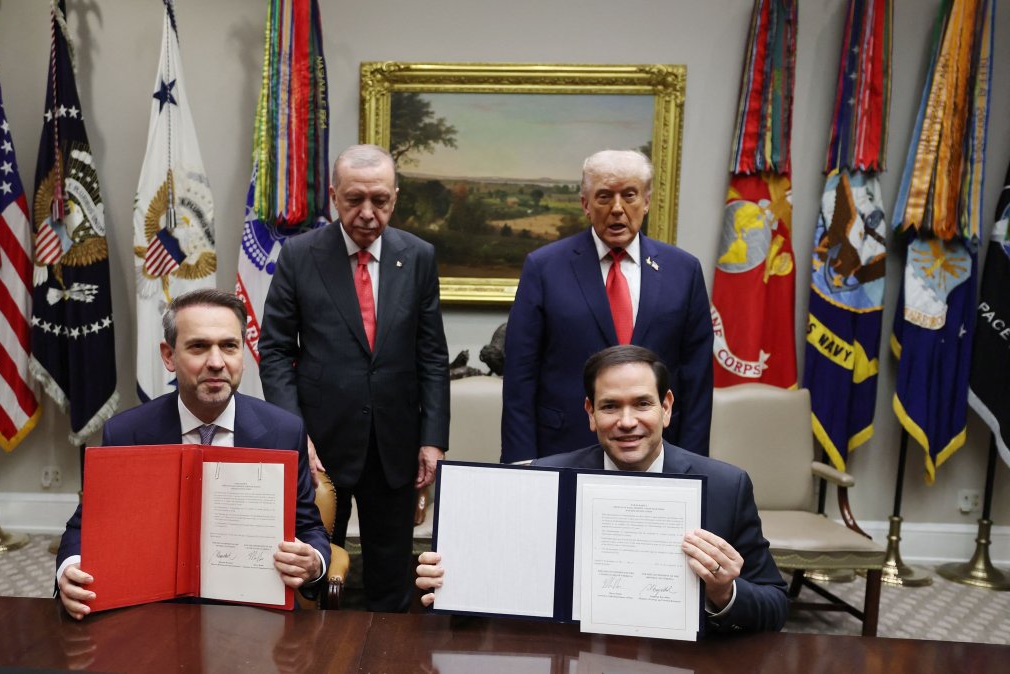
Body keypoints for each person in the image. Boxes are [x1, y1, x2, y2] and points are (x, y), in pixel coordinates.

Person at [418, 345, 787, 633]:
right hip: (569, 654)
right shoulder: (541, 481)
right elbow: (494, 592)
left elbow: (775, 605)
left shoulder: (727, 486)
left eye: (642, 403)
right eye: (610, 406)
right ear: (591, 413)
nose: (627, 422)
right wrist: (453, 582)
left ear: (667, 407)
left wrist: (724, 593)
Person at [55, 289, 329, 620]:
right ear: (169, 356)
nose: (216, 362)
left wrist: (313, 561)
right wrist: (69, 570)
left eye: (229, 346)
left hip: (256, 613)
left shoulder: (283, 431)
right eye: (199, 347)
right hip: (154, 613)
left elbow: (309, 526)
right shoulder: (128, 433)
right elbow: (84, 527)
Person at [259, 144, 450, 613]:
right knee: (314, 573)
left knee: (391, 576)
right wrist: (294, 433)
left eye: (380, 200)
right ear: (332, 196)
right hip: (321, 445)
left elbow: (432, 356)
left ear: (396, 197)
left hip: (395, 442)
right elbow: (276, 350)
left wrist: (433, 439)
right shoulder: (300, 255)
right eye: (354, 199)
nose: (368, 213)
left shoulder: (418, 256)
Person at [501, 150, 713, 462]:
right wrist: (520, 464)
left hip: (658, 454)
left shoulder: (684, 270)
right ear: (585, 204)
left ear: (647, 202)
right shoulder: (544, 268)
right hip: (564, 447)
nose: (617, 209)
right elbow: (520, 376)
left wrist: (694, 465)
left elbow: (697, 380)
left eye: (629, 195)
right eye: (604, 197)